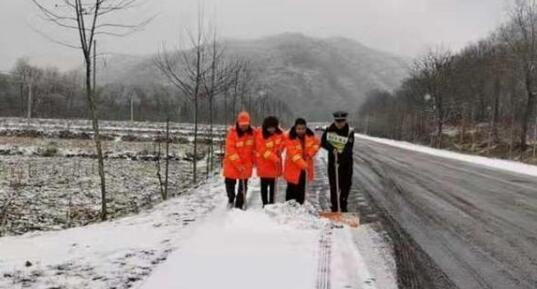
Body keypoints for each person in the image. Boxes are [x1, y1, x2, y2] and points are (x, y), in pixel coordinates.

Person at [321, 111, 354, 212]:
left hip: (346, 163)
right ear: (334, 121)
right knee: (334, 185)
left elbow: (349, 147)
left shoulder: (350, 131)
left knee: (346, 185)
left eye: (342, 121)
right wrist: (332, 148)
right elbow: (323, 143)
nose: (340, 123)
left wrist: (340, 155)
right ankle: (335, 207)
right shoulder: (329, 130)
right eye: (338, 121)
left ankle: (343, 205)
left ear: (345, 120)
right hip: (333, 162)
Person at [284, 118, 320, 204]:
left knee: (301, 189)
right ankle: (289, 209)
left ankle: (300, 207)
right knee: (292, 189)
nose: (301, 131)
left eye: (303, 128)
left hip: (303, 169)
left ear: (306, 128)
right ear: (295, 128)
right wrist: (305, 165)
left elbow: (317, 143)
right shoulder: (289, 138)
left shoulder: (310, 136)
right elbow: (294, 155)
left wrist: (311, 153)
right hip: (292, 168)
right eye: (298, 129)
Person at [223, 111, 255, 209]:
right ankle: (231, 199)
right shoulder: (232, 134)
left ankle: (239, 205)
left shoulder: (253, 133)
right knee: (229, 184)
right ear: (238, 123)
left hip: (246, 164)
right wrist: (238, 164)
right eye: (242, 125)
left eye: (246, 125)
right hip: (232, 164)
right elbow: (231, 150)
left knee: (243, 186)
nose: (244, 127)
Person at [255, 116, 285, 207]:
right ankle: (265, 204)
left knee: (273, 186)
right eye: (269, 128)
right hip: (264, 165)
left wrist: (280, 148)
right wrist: (274, 157)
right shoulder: (260, 135)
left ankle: (272, 204)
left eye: (273, 127)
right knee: (264, 187)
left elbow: (284, 142)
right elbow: (262, 150)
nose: (271, 130)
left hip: (275, 166)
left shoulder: (280, 134)